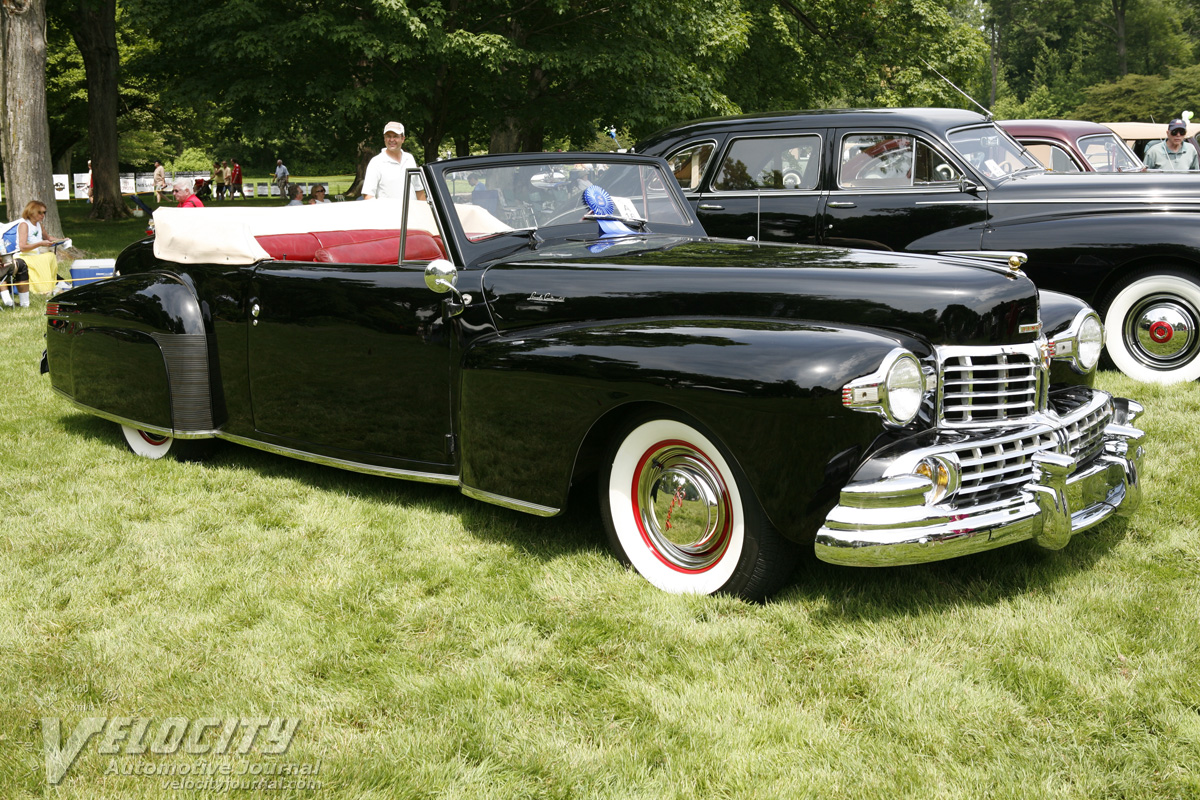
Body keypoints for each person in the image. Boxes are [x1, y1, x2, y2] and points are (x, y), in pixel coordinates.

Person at [1, 201, 65, 308]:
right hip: (23, 256)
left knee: (50, 256)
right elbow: (22, 247)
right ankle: (42, 289)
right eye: (40, 213)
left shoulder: (39, 225)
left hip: (36, 255)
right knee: (43, 258)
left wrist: (62, 240)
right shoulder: (24, 225)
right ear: (31, 213)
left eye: (44, 213)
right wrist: (40, 243)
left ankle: (50, 285)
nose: (43, 215)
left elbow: (48, 238)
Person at [362, 121, 425, 201]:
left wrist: (425, 211)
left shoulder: (409, 158)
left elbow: (418, 189)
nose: (391, 140)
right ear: (384, 139)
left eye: (395, 136)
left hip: (412, 212)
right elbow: (368, 195)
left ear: (403, 139)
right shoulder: (376, 162)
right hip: (389, 213)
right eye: (388, 136)